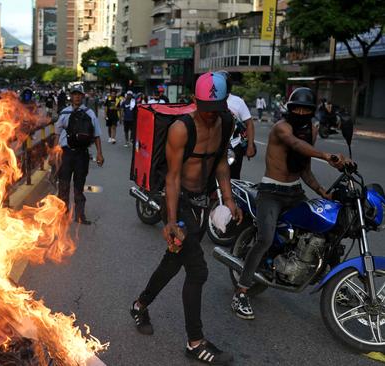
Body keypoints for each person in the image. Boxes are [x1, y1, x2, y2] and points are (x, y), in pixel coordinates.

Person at [130, 73, 240, 365]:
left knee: (172, 262)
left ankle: (139, 305)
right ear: (195, 101)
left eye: (215, 108)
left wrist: (228, 198)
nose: (209, 115)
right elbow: (173, 176)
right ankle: (195, 341)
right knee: (198, 271)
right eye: (204, 108)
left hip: (202, 205)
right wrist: (169, 220)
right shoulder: (181, 128)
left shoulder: (226, 122)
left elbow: (219, 161)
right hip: (179, 204)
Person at [231, 88, 346, 320]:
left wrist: (323, 192)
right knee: (264, 238)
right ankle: (241, 292)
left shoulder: (311, 131)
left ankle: (337, 285)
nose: (301, 112)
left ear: (312, 111)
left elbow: (303, 168)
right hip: (271, 192)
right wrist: (325, 156)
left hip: (294, 192)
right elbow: (295, 145)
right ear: (290, 109)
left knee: (326, 229)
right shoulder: (281, 127)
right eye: (297, 109)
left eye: (306, 109)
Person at [54, 84, 104, 225]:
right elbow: (57, 133)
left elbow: (96, 135)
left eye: (79, 94)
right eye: (74, 94)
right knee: (63, 185)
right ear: (71, 96)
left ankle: (80, 215)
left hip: (82, 155)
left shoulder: (89, 114)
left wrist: (99, 154)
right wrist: (54, 153)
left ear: (82, 96)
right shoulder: (64, 113)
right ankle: (63, 214)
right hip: (66, 154)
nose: (76, 97)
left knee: (79, 186)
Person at [219, 71, 255, 179]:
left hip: (234, 147)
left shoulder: (238, 102)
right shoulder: (210, 100)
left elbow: (249, 124)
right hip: (213, 145)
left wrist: (250, 146)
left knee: (233, 177)